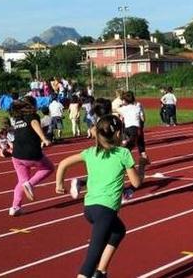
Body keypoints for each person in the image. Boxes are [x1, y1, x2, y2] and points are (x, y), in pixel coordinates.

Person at [55, 115, 145, 278]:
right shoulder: (123, 153)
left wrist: (59, 184)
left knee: (118, 231)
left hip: (90, 208)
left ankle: (101, 272)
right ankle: (92, 273)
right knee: (91, 258)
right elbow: (137, 183)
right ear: (118, 134)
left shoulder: (90, 152)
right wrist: (143, 165)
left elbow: (63, 163)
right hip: (105, 211)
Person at [8, 96, 53, 216]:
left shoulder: (18, 119)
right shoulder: (33, 116)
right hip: (31, 153)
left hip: (16, 155)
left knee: (21, 181)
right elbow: (34, 124)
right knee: (48, 168)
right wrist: (44, 138)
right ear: (32, 106)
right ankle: (30, 184)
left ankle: (15, 207)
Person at [119, 91, 148, 164]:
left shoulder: (122, 108)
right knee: (139, 142)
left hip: (126, 128)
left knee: (129, 143)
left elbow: (120, 116)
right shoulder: (138, 106)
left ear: (125, 100)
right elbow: (143, 118)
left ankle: (124, 148)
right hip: (135, 128)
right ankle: (143, 156)